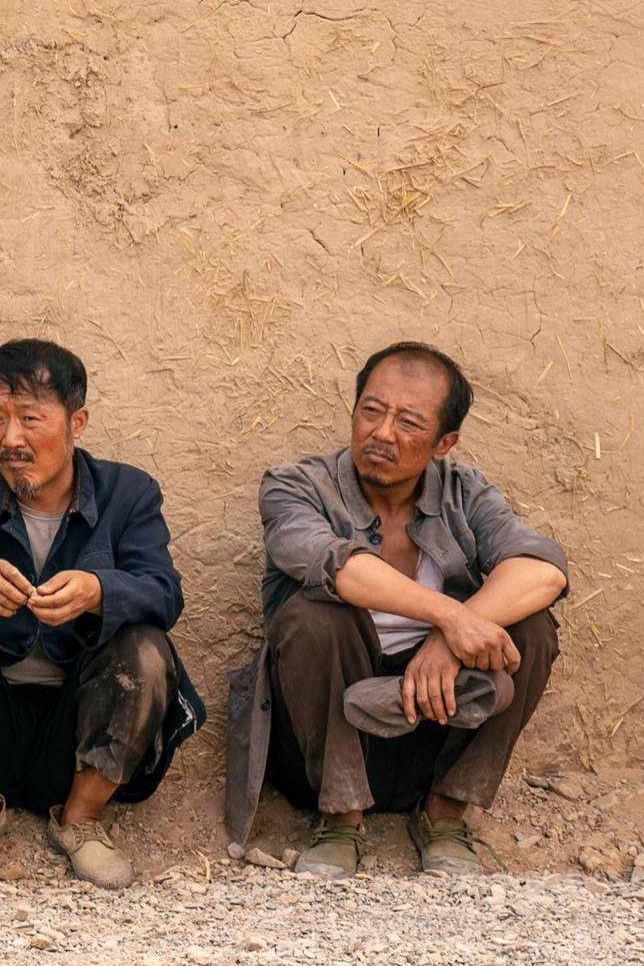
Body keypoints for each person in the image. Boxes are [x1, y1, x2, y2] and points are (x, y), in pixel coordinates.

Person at [222, 343, 567, 879]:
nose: (382, 433)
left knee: (532, 626)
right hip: (320, 745)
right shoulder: (296, 486)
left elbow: (544, 570)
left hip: (435, 720)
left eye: (408, 421)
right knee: (315, 615)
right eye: (371, 410)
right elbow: (337, 566)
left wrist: (446, 643)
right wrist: (450, 618)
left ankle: (446, 814)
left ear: (444, 443)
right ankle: (341, 819)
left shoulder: (466, 493)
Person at [0, 339, 202, 889]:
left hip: (79, 729)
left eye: (30, 419)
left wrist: (101, 590)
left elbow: (164, 593)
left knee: (146, 648)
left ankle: (82, 819)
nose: (11, 439)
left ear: (77, 423)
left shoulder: (129, 494)